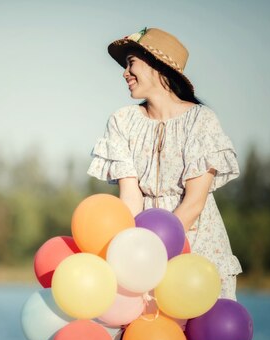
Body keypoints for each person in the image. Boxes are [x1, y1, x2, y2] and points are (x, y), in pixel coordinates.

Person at [87, 28, 242, 300]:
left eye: (131, 62)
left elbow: (194, 203)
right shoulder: (121, 121)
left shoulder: (201, 121)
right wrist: (133, 253)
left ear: (158, 65)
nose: (125, 72)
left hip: (194, 244)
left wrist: (155, 250)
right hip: (141, 245)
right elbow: (130, 198)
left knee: (197, 336)